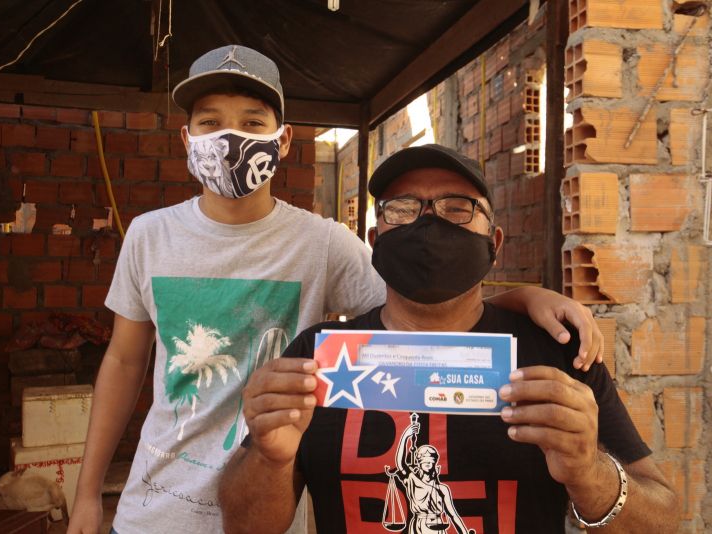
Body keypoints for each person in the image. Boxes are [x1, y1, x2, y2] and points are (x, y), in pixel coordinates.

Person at [67, 44, 604, 534]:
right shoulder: (148, 234)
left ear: (282, 140)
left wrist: (521, 298)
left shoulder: (322, 242)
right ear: (187, 138)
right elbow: (123, 362)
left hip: (270, 502)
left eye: (252, 121)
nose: (229, 137)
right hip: (153, 508)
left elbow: (423, 301)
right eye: (209, 122)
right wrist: (88, 493)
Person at [220, 144, 679, 534]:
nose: (428, 224)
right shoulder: (317, 358)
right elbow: (244, 525)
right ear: (376, 240)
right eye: (403, 208)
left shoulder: (558, 354)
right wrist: (269, 457)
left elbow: (664, 518)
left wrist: (590, 474)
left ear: (493, 242)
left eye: (457, 207)